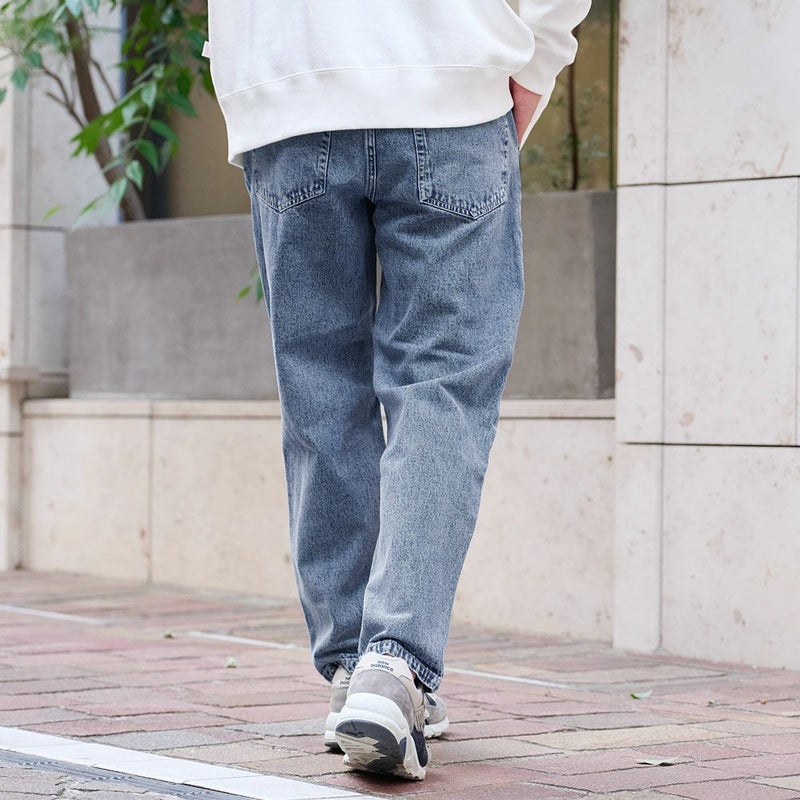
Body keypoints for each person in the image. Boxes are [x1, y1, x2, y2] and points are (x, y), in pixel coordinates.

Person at [204, 0, 590, 781]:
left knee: (322, 392)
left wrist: (250, 71)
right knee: (441, 386)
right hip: (451, 81)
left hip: (290, 90)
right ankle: (392, 667)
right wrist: (537, 57)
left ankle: (356, 666)